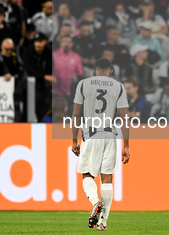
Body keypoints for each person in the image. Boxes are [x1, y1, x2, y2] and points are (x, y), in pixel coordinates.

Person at [71, 58, 130, 231]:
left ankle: (96, 202)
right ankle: (103, 222)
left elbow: (76, 114)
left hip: (91, 134)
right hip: (110, 135)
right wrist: (126, 145)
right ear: (110, 71)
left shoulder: (83, 84)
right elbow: (124, 117)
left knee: (87, 174)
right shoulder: (118, 87)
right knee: (107, 178)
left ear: (95, 70)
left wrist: (74, 139)